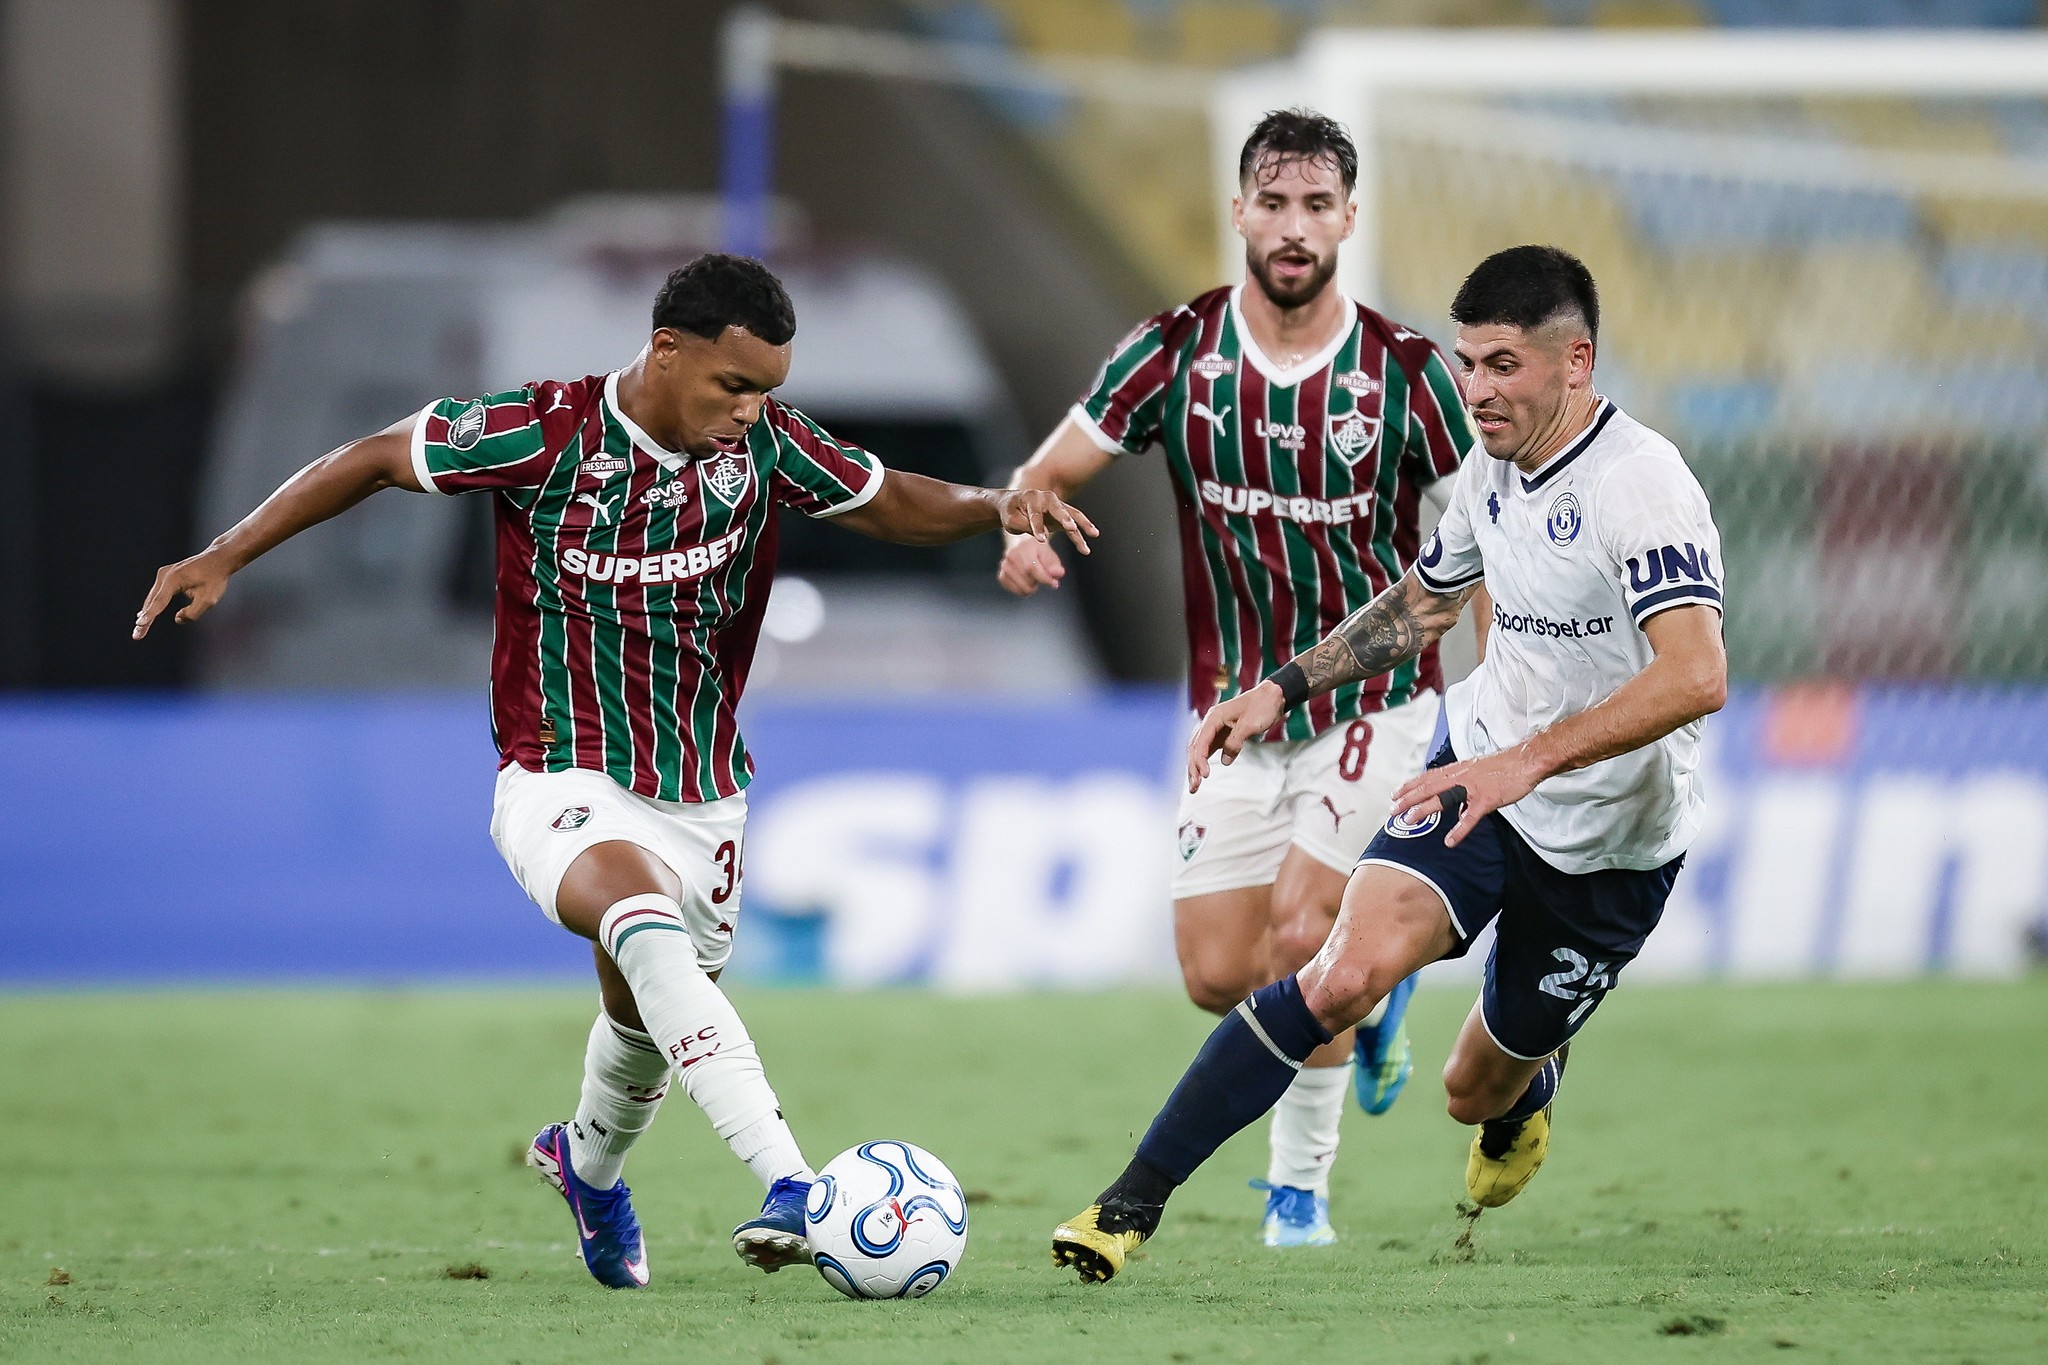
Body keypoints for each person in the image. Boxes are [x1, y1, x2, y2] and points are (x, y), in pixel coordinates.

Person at [132, 253, 1097, 1290]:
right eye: (733, 386)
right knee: (641, 926)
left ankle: (585, 1170)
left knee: (645, 1014)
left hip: (702, 788)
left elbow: (885, 499)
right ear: (666, 350)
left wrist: (994, 503)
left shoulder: (763, 445)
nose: (748, 411)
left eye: (765, 391)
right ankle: (791, 1182)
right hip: (557, 775)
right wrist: (226, 551)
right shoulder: (540, 433)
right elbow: (373, 456)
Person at [1051, 244, 1726, 1283]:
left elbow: (1693, 676)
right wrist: (1281, 686)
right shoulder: (1492, 473)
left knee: (1471, 1090)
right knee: (1338, 971)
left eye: (1502, 364)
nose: (1477, 390)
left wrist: (1528, 764)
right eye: (1466, 363)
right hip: (1477, 778)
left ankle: (1527, 1082)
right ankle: (1125, 1205)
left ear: (1573, 363)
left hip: (1612, 838)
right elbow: (1422, 602)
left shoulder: (1641, 487)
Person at [1000, 108, 1476, 1246]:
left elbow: (1475, 552)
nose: (1294, 226)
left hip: (1372, 704)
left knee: (1300, 936)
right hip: (1228, 709)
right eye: (1274, 202)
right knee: (1217, 974)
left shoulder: (1408, 374)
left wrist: (1490, 704)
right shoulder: (1172, 352)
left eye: (1317, 205)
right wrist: (1023, 526)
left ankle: (1297, 1192)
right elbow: (1047, 470)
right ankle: (1380, 988)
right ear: (1238, 213)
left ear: (1348, 220)